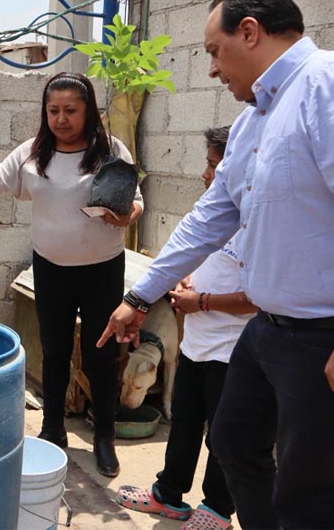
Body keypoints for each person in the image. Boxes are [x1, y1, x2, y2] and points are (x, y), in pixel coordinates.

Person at [100, 0, 334, 528]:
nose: (210, 69)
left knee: (310, 485)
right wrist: (141, 295)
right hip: (270, 331)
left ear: (249, 31)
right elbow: (209, 218)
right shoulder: (256, 118)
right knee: (233, 441)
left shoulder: (323, 86)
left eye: (212, 50)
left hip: (320, 333)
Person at [0, 72, 143, 477]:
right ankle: (54, 430)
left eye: (71, 110)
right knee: (53, 352)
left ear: (88, 111)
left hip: (102, 272)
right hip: (50, 270)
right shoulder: (33, 154)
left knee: (100, 355)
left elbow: (136, 200)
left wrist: (127, 214)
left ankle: (104, 437)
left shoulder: (110, 151)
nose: (61, 119)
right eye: (53, 110)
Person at [115, 127, 258, 530]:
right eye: (208, 164)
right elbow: (194, 257)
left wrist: (204, 302)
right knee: (184, 421)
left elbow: (263, 296)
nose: (206, 174)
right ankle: (169, 495)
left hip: (233, 350)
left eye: (214, 165)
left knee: (224, 435)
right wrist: (182, 282)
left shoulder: (259, 223)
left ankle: (216, 509)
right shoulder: (215, 213)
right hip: (197, 341)